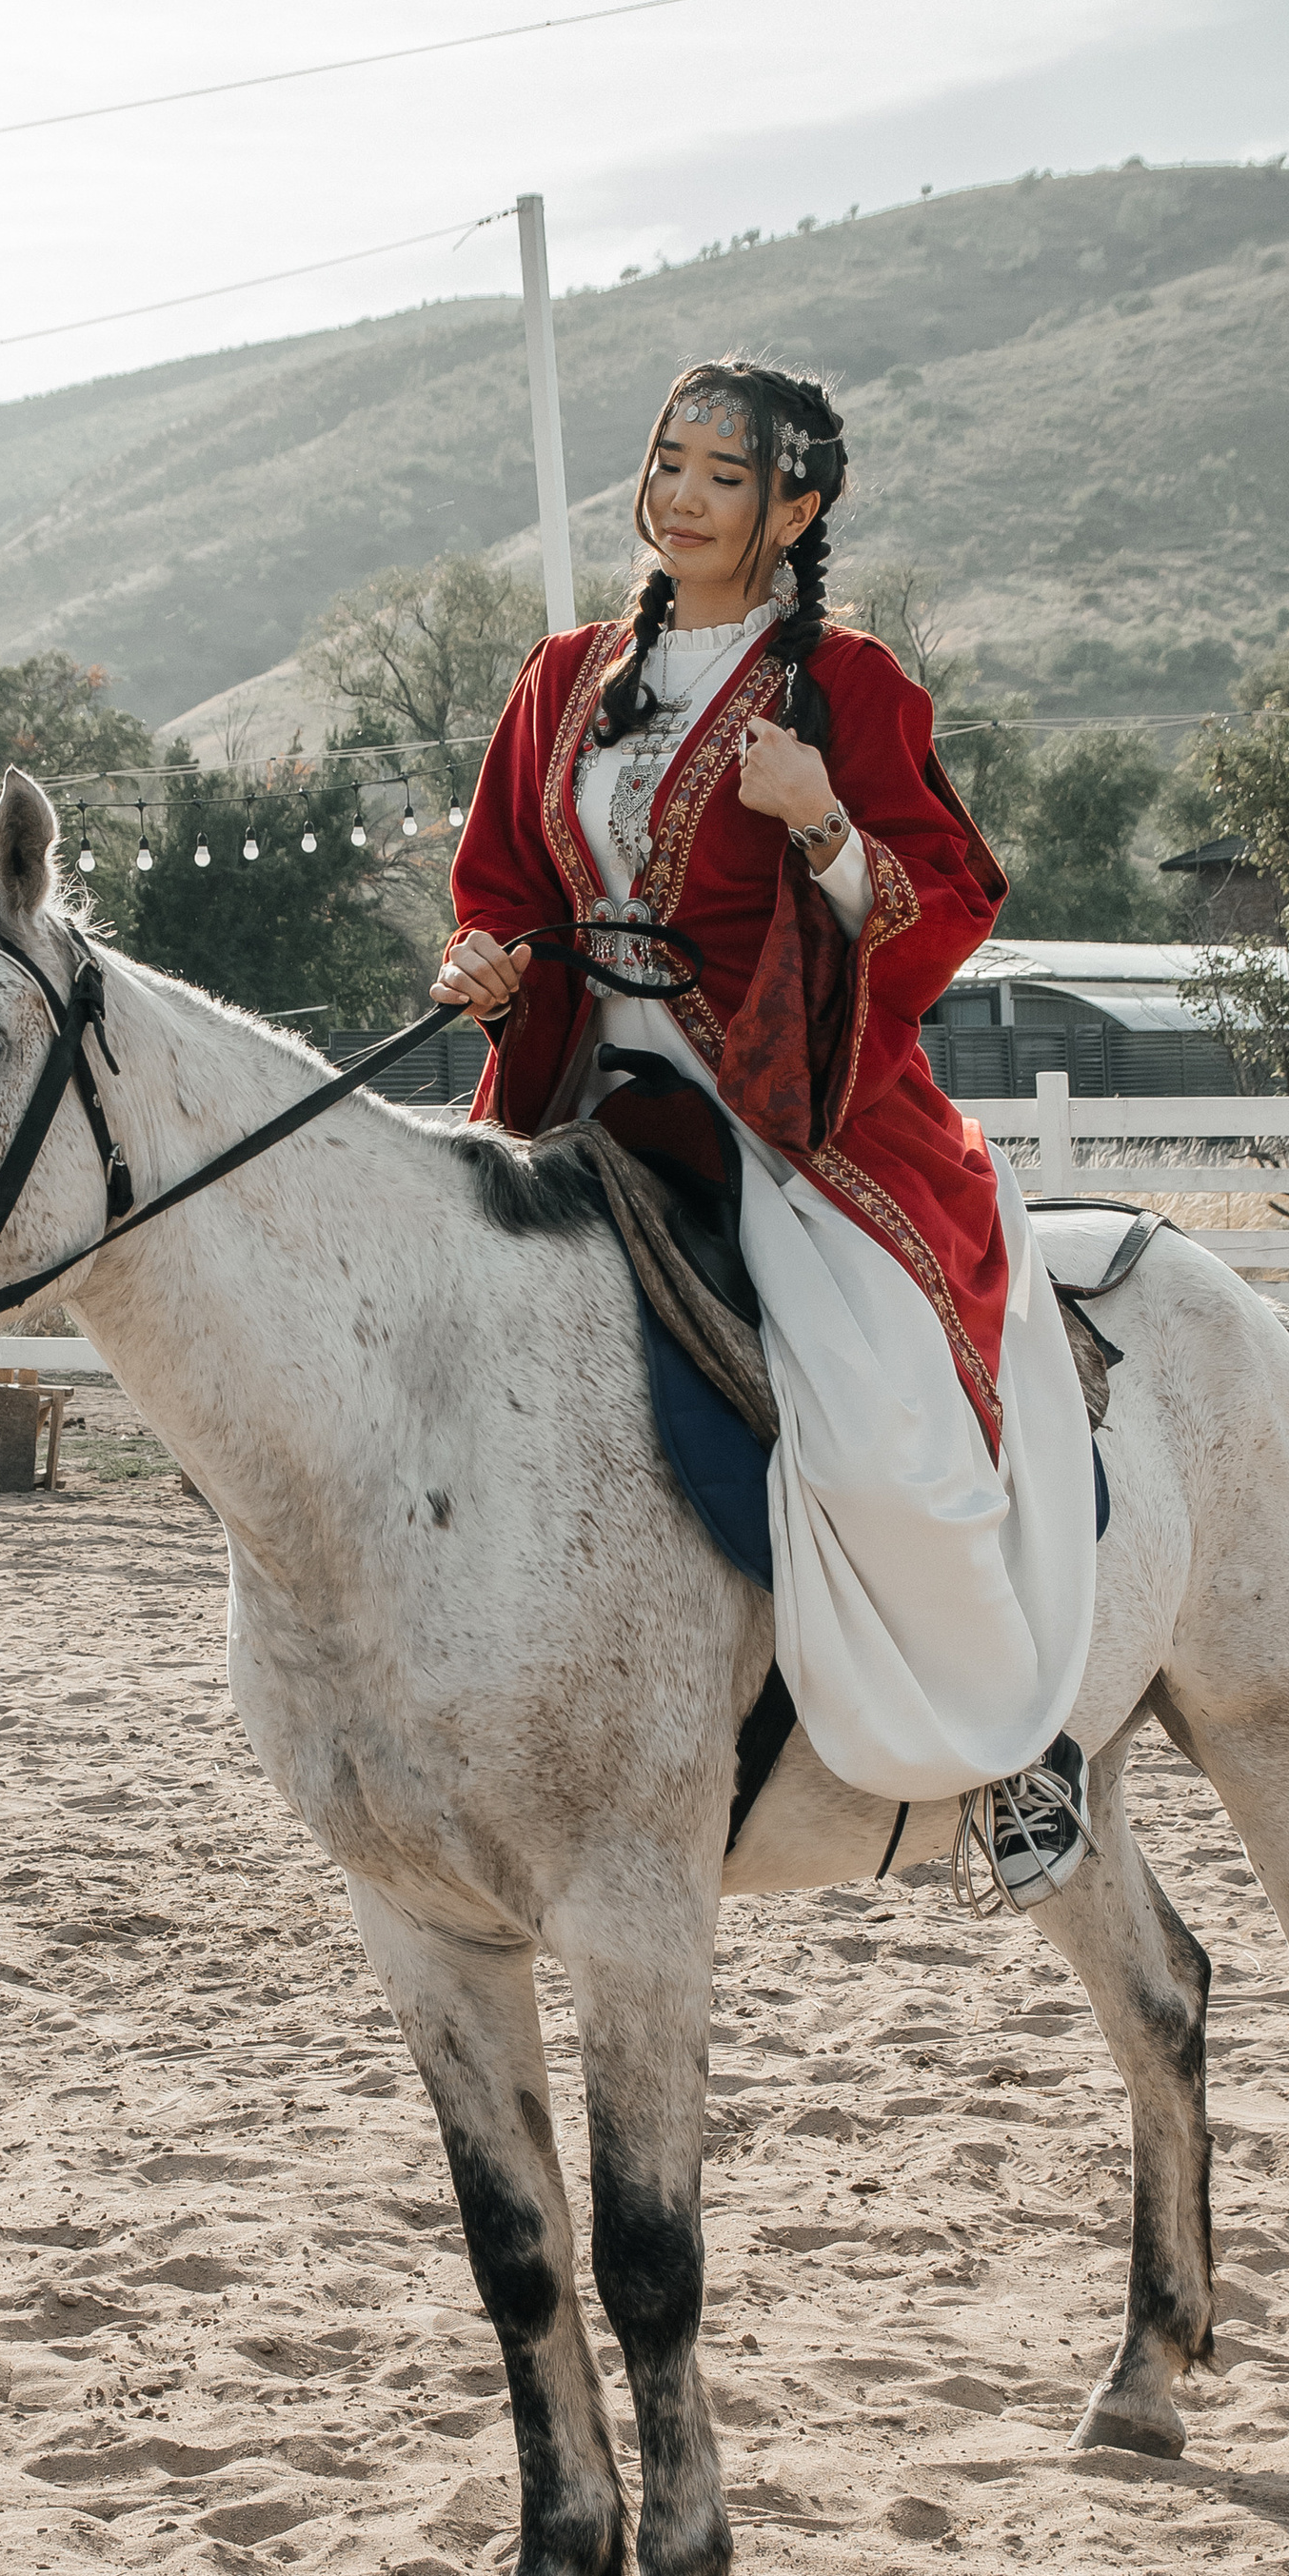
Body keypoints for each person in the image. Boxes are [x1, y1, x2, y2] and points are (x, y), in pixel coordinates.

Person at [435, 354, 1096, 1904]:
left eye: (720, 476)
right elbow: (505, 888)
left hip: (789, 1106)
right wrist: (484, 964)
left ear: (794, 507)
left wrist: (818, 820)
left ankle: (1015, 1747)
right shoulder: (561, 677)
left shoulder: (849, 692)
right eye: (666, 459)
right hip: (586, 1091)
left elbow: (944, 905)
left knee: (886, 1439)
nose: (677, 493)